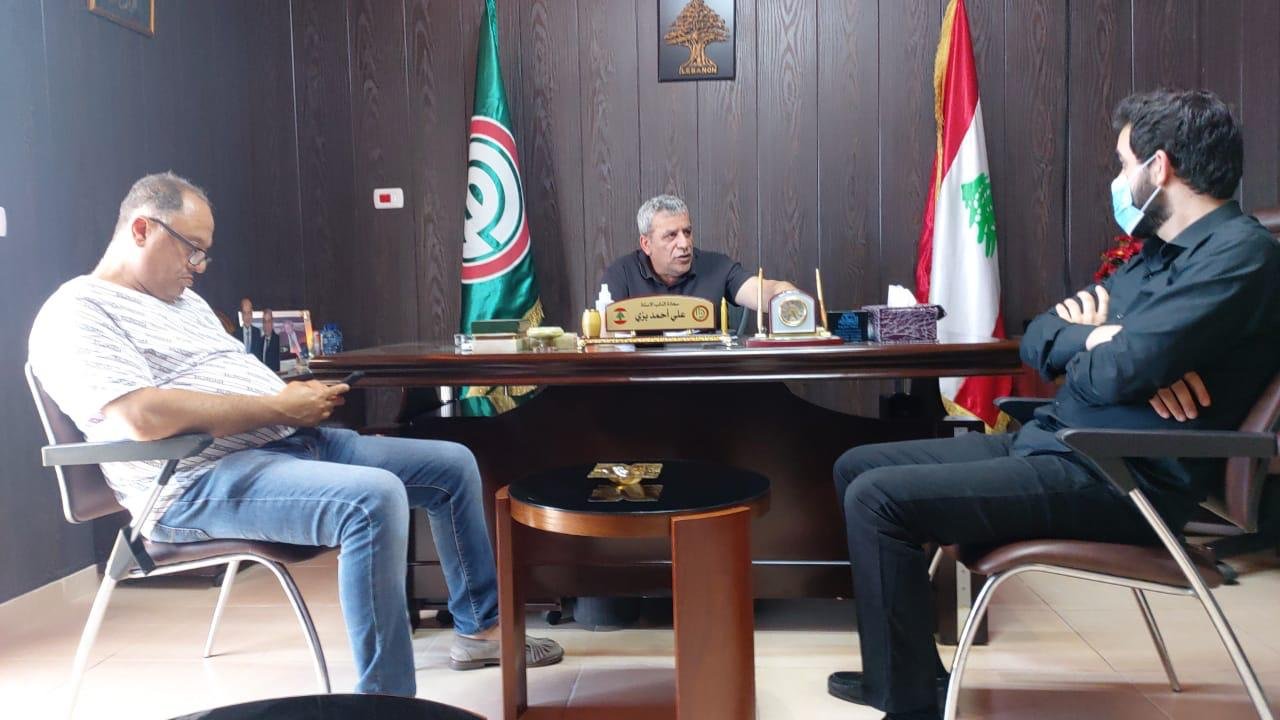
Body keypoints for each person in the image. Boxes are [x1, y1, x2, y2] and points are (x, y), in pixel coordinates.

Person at [827, 89, 1280, 720]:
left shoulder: (1241, 255)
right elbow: (1039, 335)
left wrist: (1116, 350)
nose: (1119, 179)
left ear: (1159, 167)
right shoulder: (1156, 253)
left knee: (878, 499)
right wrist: (1098, 339)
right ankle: (903, 679)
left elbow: (1122, 370)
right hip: (1059, 442)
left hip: (1119, 475)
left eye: (1123, 163)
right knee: (856, 466)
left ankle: (913, 708)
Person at [27, 172, 563, 697]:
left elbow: (223, 381)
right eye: (192, 250)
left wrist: (294, 397)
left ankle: (480, 631)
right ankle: (384, 702)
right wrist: (276, 405)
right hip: (193, 482)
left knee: (452, 464)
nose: (199, 268)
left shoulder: (185, 304)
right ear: (141, 229)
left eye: (204, 254)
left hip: (284, 445)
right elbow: (140, 417)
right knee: (372, 500)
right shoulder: (78, 312)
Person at [601, 194, 796, 309]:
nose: (684, 243)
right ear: (646, 244)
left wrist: (788, 296)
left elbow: (763, 291)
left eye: (687, 232)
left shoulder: (717, 266)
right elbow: (604, 337)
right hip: (643, 367)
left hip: (707, 367)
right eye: (671, 235)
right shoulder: (621, 274)